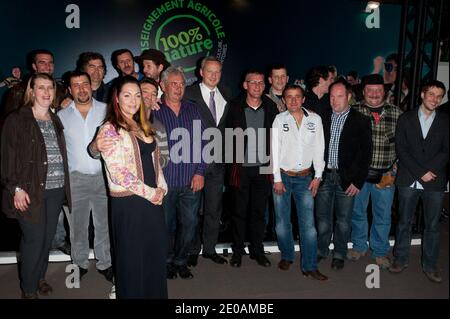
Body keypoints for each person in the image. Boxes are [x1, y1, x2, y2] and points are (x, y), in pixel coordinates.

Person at [97, 75, 168, 298]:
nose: (133, 100)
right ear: (116, 98)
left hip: (152, 201)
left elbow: (155, 163)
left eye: (137, 95)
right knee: (131, 258)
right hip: (129, 203)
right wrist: (151, 193)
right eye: (127, 95)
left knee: (153, 255)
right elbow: (118, 173)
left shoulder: (143, 125)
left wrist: (161, 188)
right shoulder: (109, 129)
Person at [1, 73, 71, 298]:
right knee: (33, 240)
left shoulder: (54, 117)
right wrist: (16, 188)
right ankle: (28, 289)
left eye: (50, 87)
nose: (47, 92)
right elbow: (7, 157)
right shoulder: (17, 118)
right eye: (41, 87)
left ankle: (39, 277)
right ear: (31, 91)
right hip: (30, 191)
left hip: (56, 189)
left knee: (47, 239)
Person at [390, 80, 448, 283]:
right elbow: (401, 149)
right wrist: (420, 172)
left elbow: (446, 151)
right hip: (408, 180)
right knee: (404, 222)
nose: (435, 99)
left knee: (432, 226)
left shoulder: (445, 121)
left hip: (435, 181)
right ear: (423, 95)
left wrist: (429, 171)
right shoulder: (405, 119)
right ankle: (400, 259)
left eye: (440, 96)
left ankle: (430, 265)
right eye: (431, 94)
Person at [57, 71, 113, 282]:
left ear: (92, 86)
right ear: (70, 90)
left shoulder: (107, 110)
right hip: (75, 179)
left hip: (103, 178)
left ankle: (105, 262)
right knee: (77, 226)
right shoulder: (61, 116)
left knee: (103, 224)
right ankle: (79, 263)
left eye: (85, 84)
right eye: (76, 85)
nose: (81, 89)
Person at [153, 66, 207, 280]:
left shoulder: (193, 110)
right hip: (163, 183)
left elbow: (204, 143)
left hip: (190, 180)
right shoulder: (153, 111)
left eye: (182, 84)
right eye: (173, 84)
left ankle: (181, 261)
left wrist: (200, 172)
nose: (178, 88)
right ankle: (165, 261)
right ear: (163, 85)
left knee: (190, 224)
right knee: (164, 226)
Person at [271, 84, 327, 280]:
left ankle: (310, 266)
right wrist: (277, 179)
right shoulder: (279, 120)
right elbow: (275, 152)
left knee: (308, 226)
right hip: (283, 177)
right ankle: (287, 255)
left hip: (305, 179)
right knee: (281, 223)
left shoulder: (315, 119)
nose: (293, 100)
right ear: (284, 100)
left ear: (303, 99)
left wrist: (318, 176)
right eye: (289, 97)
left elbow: (320, 148)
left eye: (297, 97)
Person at [315, 80, 372, 271]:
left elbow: (366, 154)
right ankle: (321, 251)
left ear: (348, 97)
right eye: (331, 96)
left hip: (346, 179)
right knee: (322, 219)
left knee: (343, 221)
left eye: (339, 96)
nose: (334, 100)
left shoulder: (361, 121)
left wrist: (358, 181)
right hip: (324, 176)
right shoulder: (322, 118)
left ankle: (339, 254)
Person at [347, 74, 403, 269]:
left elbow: (405, 144)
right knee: (357, 212)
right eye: (370, 90)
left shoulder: (397, 113)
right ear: (363, 92)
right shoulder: (352, 112)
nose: (374, 94)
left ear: (384, 92)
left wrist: (397, 165)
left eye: (378, 90)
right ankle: (359, 246)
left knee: (383, 215)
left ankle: (379, 252)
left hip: (386, 175)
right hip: (359, 176)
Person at [225, 70, 278, 268]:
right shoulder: (234, 107)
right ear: (245, 85)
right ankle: (237, 251)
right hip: (241, 169)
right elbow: (224, 137)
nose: (257, 85)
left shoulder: (271, 107)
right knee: (239, 212)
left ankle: (257, 250)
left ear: (264, 86)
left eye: (260, 82)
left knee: (258, 212)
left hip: (263, 168)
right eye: (252, 82)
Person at [184, 56, 231, 267]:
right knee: (192, 210)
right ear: (201, 72)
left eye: (218, 72)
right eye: (210, 71)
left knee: (214, 208)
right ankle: (192, 249)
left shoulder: (226, 94)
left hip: (218, 163)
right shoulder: (188, 93)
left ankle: (210, 249)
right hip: (194, 162)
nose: (214, 76)